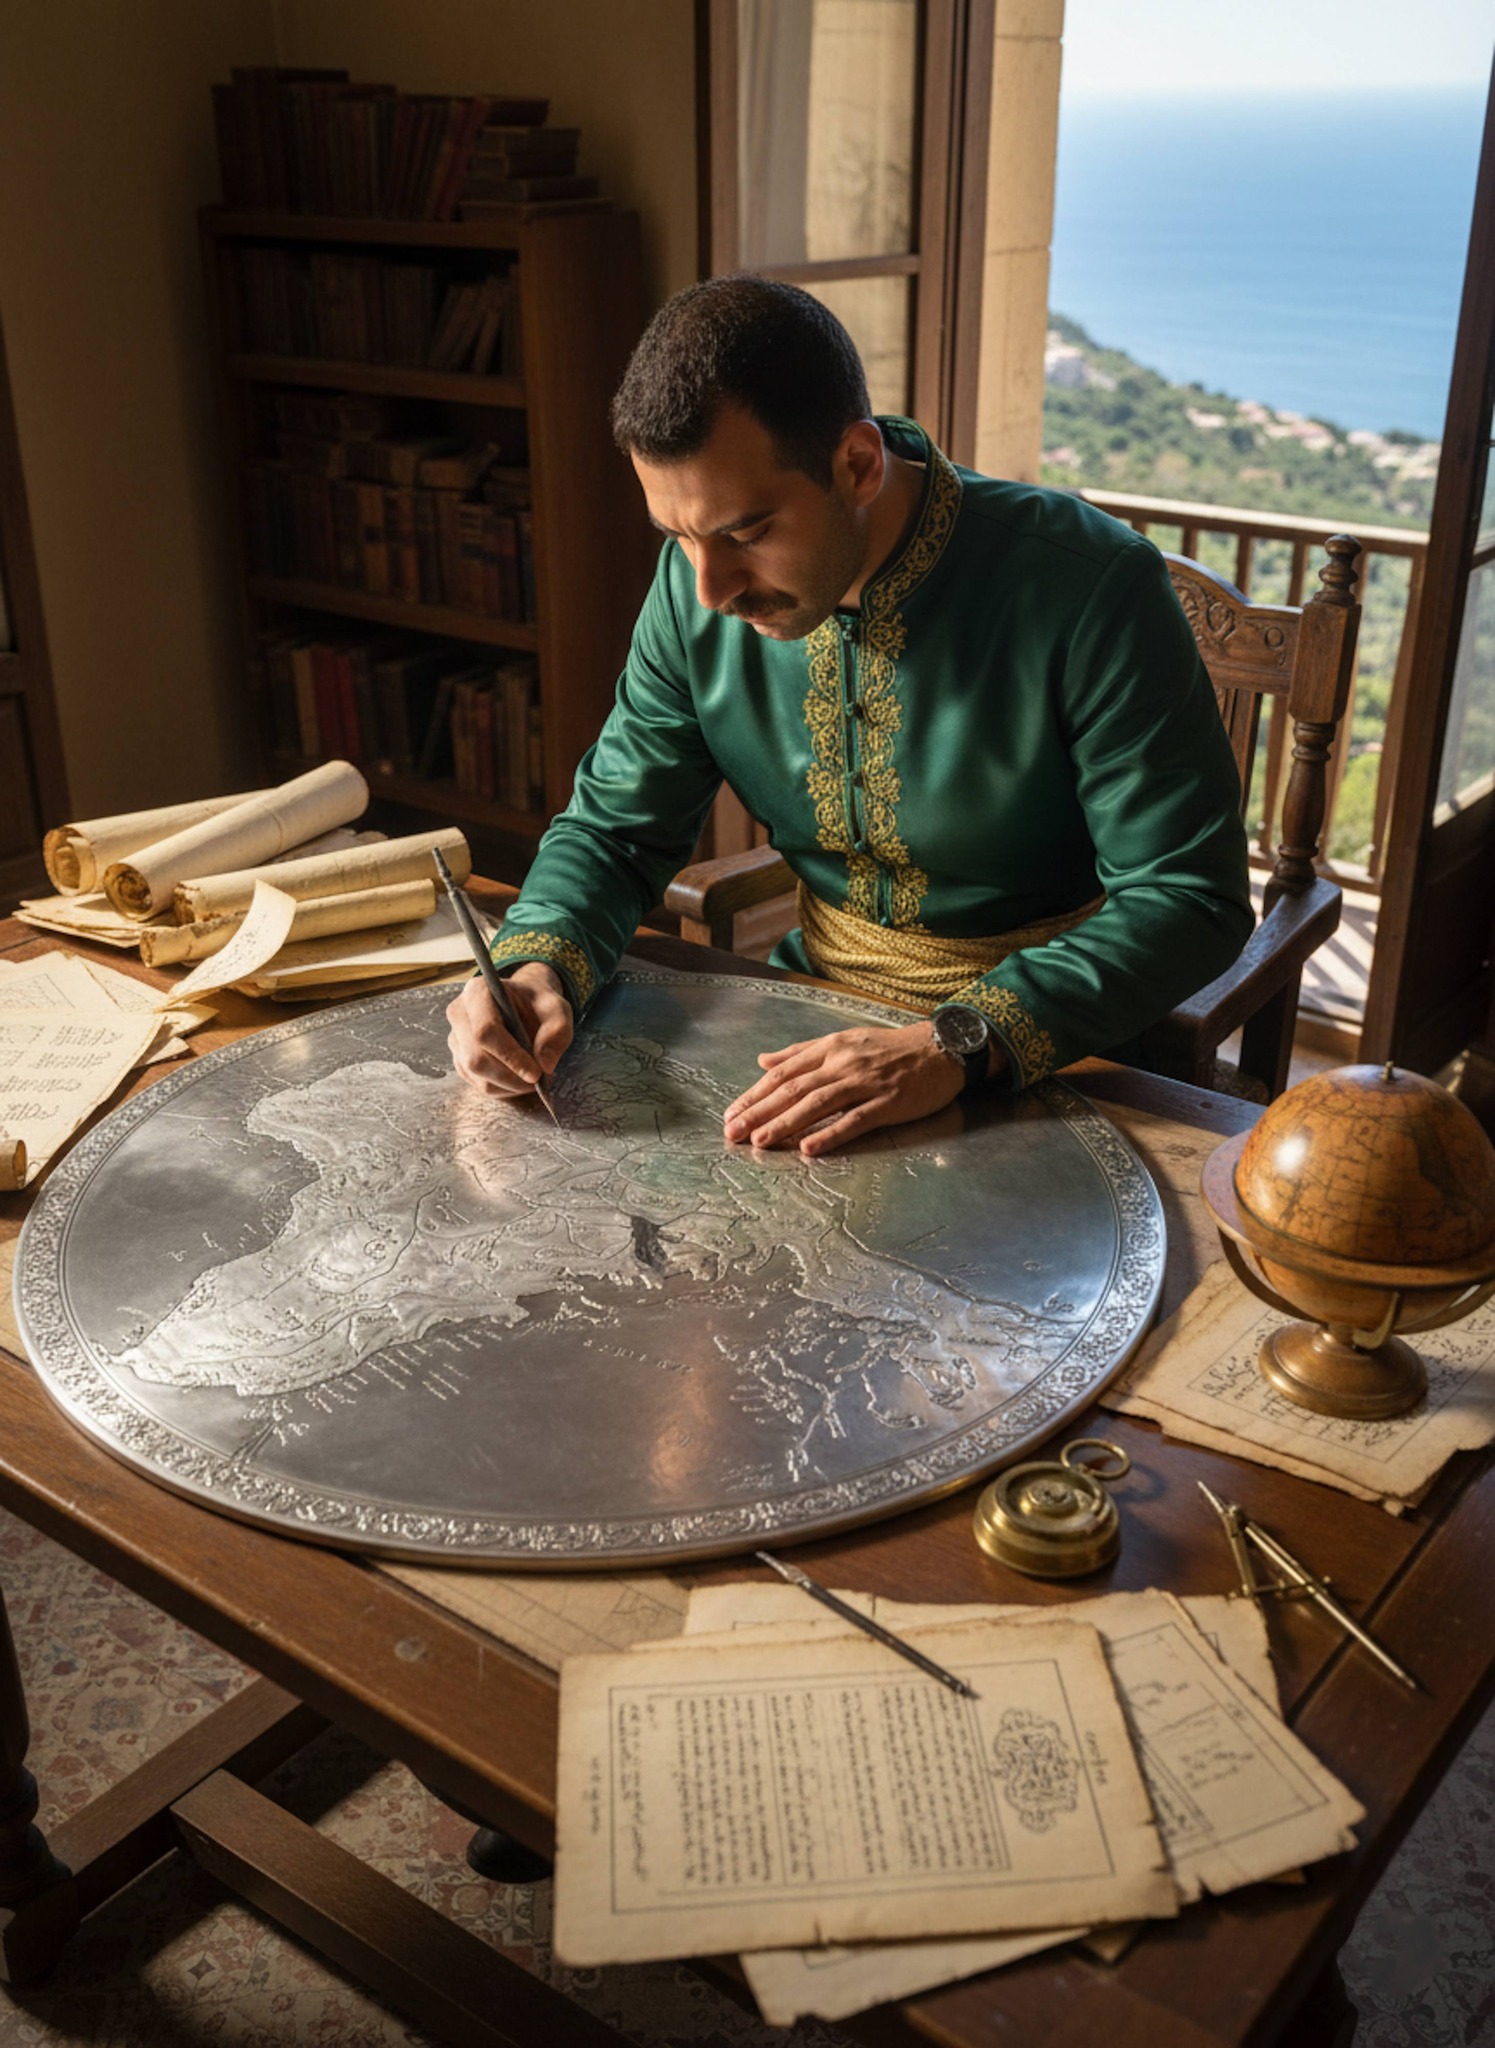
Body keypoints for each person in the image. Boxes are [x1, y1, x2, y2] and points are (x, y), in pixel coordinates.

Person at [447, 275, 1252, 1154]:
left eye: (745, 533)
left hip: (1053, 1045)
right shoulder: (693, 588)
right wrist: (535, 962)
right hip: (807, 1015)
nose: (707, 589)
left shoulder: (1092, 586)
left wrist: (956, 1041)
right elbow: (613, 830)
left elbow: (1189, 897)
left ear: (858, 465)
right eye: (676, 535)